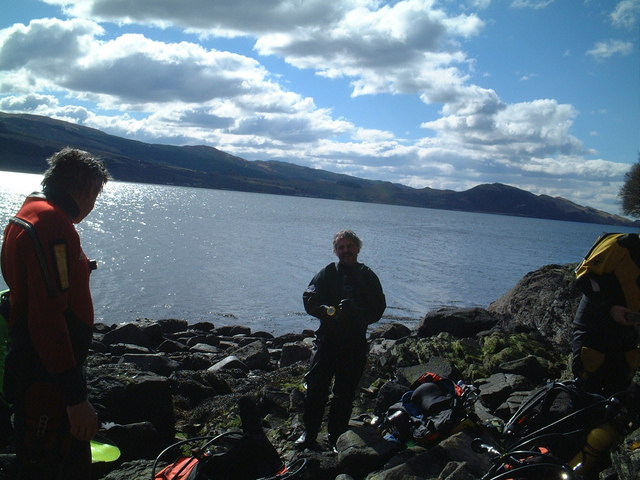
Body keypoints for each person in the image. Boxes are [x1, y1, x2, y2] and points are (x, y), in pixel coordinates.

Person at [1, 147, 110, 479]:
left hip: (34, 363)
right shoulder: (53, 226)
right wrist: (76, 398)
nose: (91, 207)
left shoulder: (28, 213)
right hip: (46, 376)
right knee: (49, 463)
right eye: (95, 197)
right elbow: (48, 319)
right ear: (86, 190)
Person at [296, 230, 386, 450]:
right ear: (336, 251)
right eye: (341, 247)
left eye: (349, 246)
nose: (345, 251)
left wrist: (357, 312)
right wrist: (327, 311)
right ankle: (309, 433)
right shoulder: (327, 273)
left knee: (344, 392)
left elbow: (378, 308)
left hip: (354, 342)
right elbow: (309, 298)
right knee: (316, 387)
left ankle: (336, 436)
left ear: (357, 248)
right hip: (327, 339)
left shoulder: (368, 276)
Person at [571, 232, 640, 397]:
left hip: (627, 338)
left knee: (620, 394)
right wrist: (610, 306)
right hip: (595, 331)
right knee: (587, 391)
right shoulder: (621, 244)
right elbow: (584, 276)